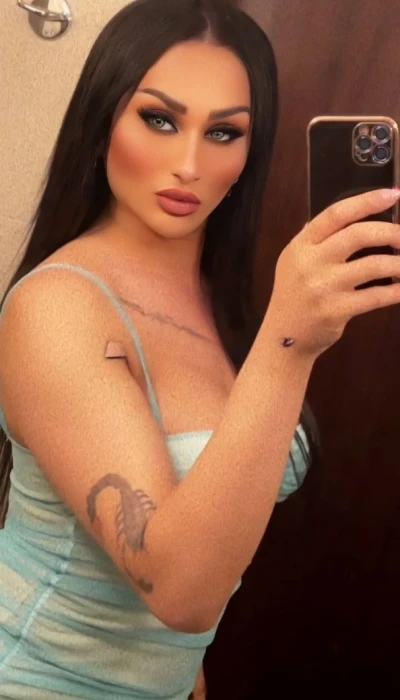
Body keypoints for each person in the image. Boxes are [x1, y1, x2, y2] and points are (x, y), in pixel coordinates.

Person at [0, 0, 399, 697]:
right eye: (159, 119)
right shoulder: (57, 306)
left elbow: (211, 528)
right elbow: (181, 591)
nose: (189, 164)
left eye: (223, 132)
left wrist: (187, 674)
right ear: (101, 121)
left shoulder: (222, 296)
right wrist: (290, 344)